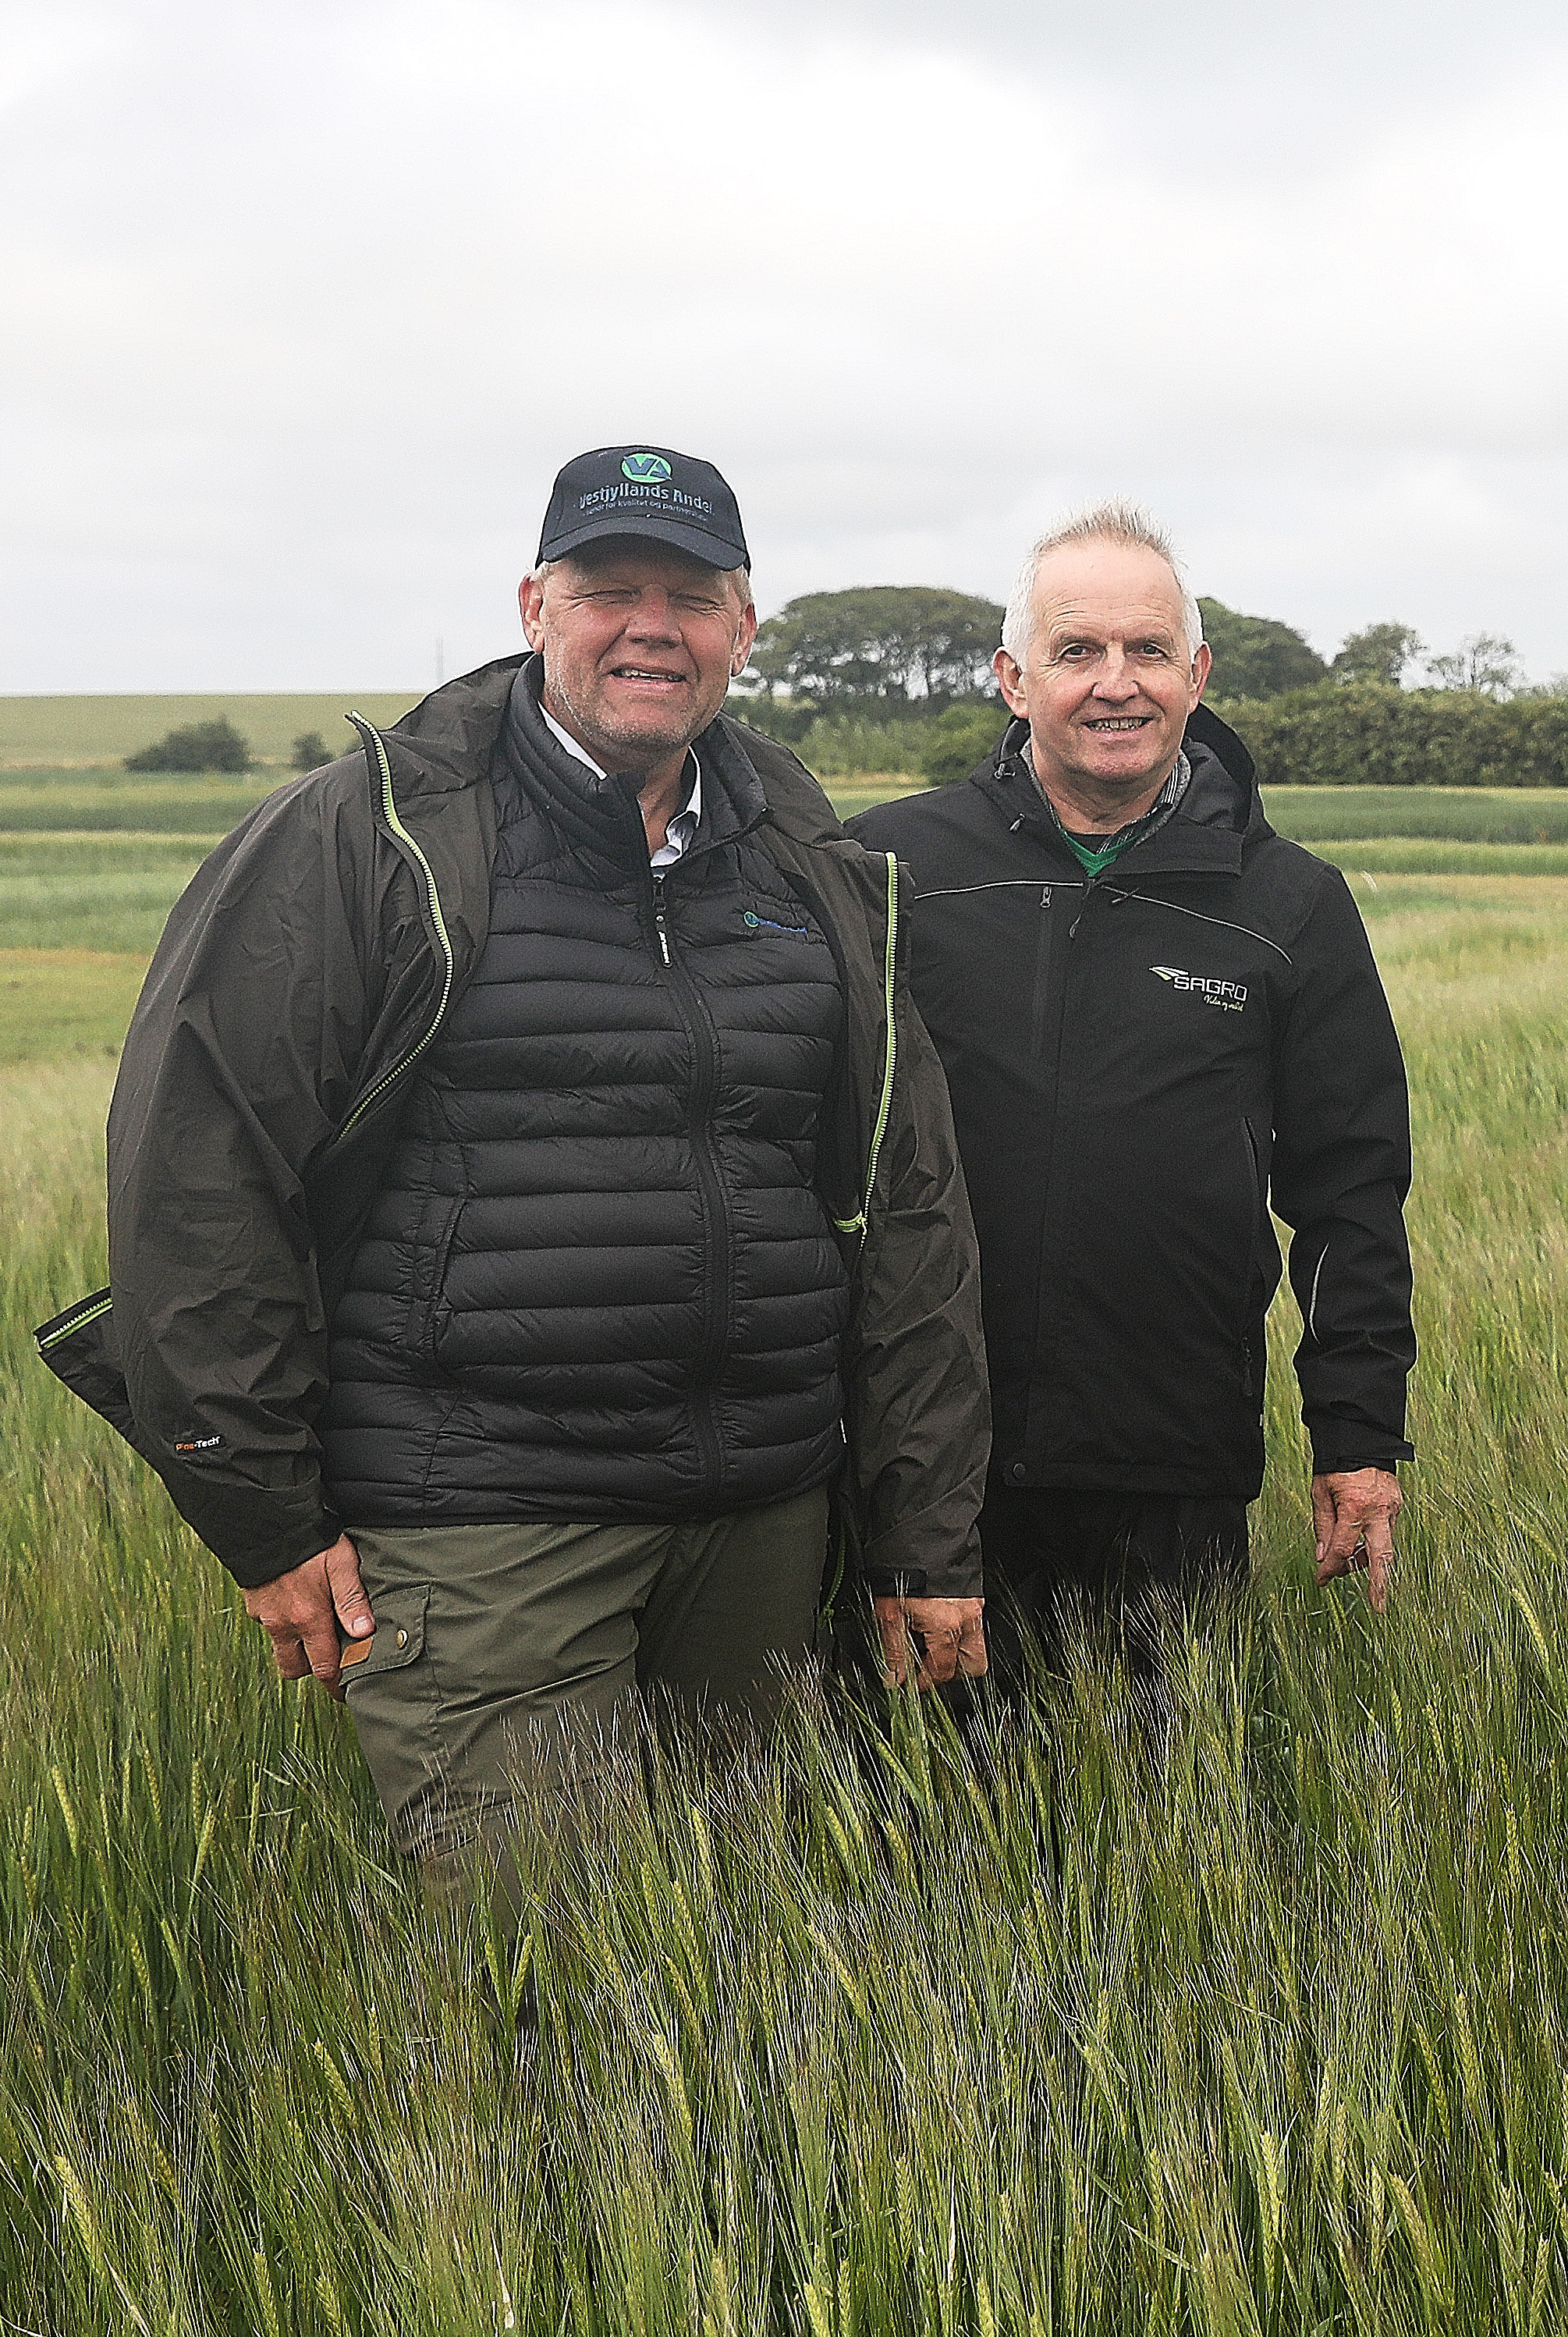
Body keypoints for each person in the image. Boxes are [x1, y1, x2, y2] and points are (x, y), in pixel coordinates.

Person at [93, 444, 987, 1900]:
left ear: (744, 628)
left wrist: (923, 1524)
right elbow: (200, 1165)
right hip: (483, 1520)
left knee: (735, 1950)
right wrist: (256, 1505)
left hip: (759, 1520)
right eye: (607, 588)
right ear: (533, 605)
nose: (652, 626)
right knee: (539, 1987)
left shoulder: (804, 856)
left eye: (691, 596)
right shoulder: (376, 835)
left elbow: (909, 1205)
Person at [850, 506, 1415, 1678]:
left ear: (1197, 675)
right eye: (1077, 652)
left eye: (1149, 652)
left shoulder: (1289, 903)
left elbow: (1350, 1186)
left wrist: (1357, 1433)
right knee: (919, 1828)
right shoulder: (891, 872)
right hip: (921, 1465)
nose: (1118, 685)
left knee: (1150, 1830)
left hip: (1168, 1464)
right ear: (1012, 680)